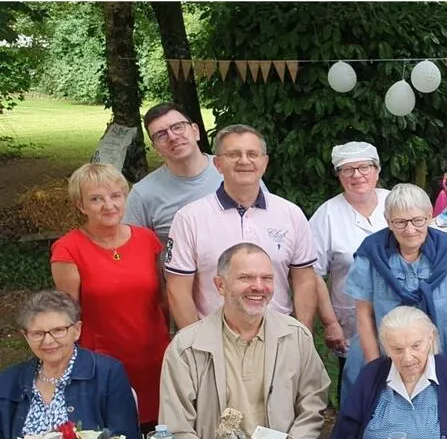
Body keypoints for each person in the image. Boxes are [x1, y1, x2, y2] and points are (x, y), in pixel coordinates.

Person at [159, 243, 330, 439]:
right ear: (220, 285)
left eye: (266, 278)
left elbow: (312, 406)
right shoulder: (186, 348)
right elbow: (177, 427)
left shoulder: (296, 337)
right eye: (246, 278)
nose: (258, 286)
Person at [165, 124, 318, 331]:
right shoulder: (189, 218)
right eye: (233, 154)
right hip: (215, 336)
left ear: (265, 163)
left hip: (279, 334)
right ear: (218, 164)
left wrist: (302, 335)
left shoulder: (291, 214)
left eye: (252, 154)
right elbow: (178, 289)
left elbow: (304, 280)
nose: (244, 161)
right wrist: (196, 341)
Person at [50, 163, 169, 428]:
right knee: (116, 436)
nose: (109, 205)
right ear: (80, 205)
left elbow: (163, 300)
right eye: (96, 199)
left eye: (116, 196)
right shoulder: (68, 249)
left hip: (154, 357)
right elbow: (67, 315)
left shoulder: (147, 239)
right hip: (103, 362)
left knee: (161, 432)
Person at [345, 184, 447, 400]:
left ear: (429, 216)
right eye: (400, 222)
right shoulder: (370, 252)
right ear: (388, 221)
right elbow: (363, 314)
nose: (410, 229)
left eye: (417, 220)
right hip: (383, 353)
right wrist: (374, 369)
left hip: (437, 352)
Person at [328, 306, 447, 439]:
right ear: (385, 347)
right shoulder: (370, 376)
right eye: (397, 349)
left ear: (430, 339)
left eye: (416, 346)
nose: (408, 358)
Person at [0, 290, 141, 439]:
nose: (48, 341)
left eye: (58, 330)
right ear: (26, 336)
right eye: (37, 333)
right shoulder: (8, 381)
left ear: (77, 330)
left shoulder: (108, 374)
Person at [308, 141, 390, 389]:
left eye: (364, 167)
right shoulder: (327, 214)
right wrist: (330, 323)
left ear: (377, 170)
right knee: (357, 387)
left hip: (401, 314)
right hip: (351, 321)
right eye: (348, 169)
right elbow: (313, 273)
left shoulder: (394, 201)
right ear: (339, 175)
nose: (357, 175)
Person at [124, 102, 225, 243]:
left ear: (195, 131)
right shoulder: (143, 195)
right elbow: (130, 248)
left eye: (178, 127)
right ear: (155, 148)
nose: (172, 137)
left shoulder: (233, 170)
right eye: (161, 135)